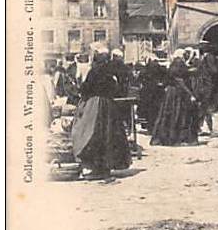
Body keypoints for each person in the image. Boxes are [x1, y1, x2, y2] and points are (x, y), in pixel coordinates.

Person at [71, 48, 131, 180]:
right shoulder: (109, 72)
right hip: (109, 106)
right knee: (108, 136)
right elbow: (115, 88)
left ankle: (96, 167)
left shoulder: (94, 71)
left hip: (94, 106)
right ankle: (106, 167)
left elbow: (85, 88)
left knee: (92, 134)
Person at [151, 49, 199, 146]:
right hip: (177, 93)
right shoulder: (179, 63)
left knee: (168, 116)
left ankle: (165, 138)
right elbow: (180, 80)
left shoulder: (174, 63)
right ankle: (175, 138)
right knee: (178, 115)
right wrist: (190, 94)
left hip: (171, 93)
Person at [193, 42, 218, 136]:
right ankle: (208, 128)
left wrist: (205, 76)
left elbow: (214, 71)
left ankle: (217, 129)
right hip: (207, 86)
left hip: (210, 87)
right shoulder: (206, 58)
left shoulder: (208, 57)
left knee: (212, 108)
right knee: (206, 108)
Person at [137, 55, 167, 131]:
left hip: (147, 91)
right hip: (158, 91)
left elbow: (140, 79)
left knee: (148, 109)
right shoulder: (161, 68)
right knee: (157, 109)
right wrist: (162, 84)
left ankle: (149, 125)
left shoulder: (145, 69)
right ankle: (156, 126)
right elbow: (166, 77)